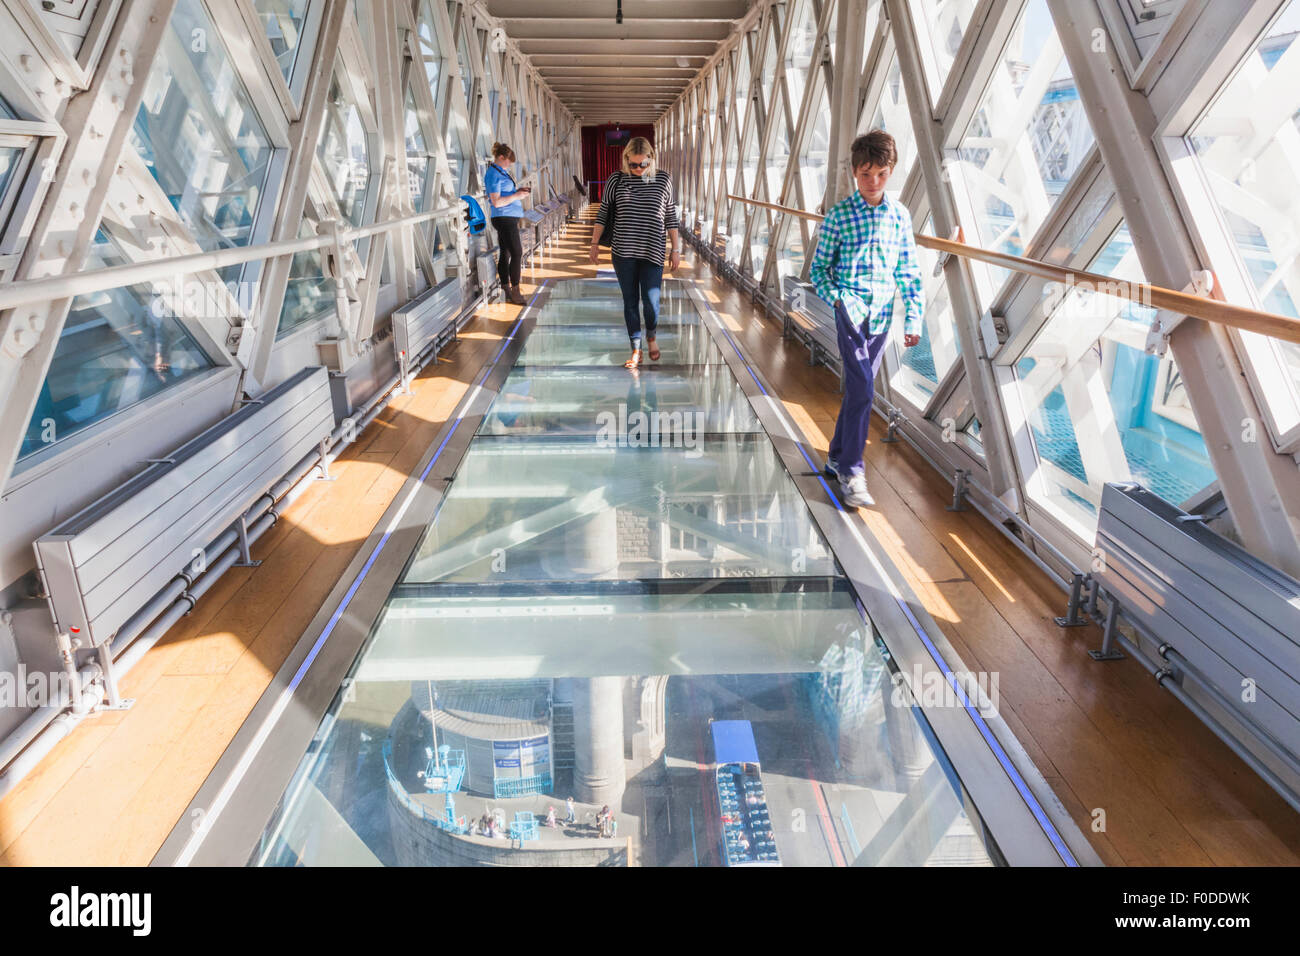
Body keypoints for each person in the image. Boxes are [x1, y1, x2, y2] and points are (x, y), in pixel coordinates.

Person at [809, 130, 924, 508]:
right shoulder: (840, 216)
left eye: (880, 174)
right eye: (865, 174)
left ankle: (836, 455)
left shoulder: (900, 216)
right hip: (851, 313)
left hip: (882, 317)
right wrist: (839, 300)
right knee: (863, 390)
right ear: (854, 174)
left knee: (859, 391)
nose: (873, 182)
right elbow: (819, 270)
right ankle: (853, 471)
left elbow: (908, 270)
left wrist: (913, 320)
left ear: (890, 172)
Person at [588, 137, 681, 369]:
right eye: (633, 165)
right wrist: (593, 243)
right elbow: (603, 213)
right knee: (630, 301)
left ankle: (651, 335)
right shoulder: (616, 180)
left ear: (652, 159)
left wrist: (676, 249)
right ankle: (636, 348)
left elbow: (670, 216)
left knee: (651, 301)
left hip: (653, 249)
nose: (638, 169)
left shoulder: (663, 179)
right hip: (624, 251)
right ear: (625, 160)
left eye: (643, 164)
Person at [485, 143, 532, 306]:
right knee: (517, 252)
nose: (509, 164)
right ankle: (515, 291)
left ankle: (506, 286)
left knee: (506, 252)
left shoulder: (501, 172)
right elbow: (496, 202)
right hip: (503, 218)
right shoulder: (493, 175)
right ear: (500, 157)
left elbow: (504, 194)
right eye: (508, 161)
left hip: (508, 217)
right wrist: (517, 195)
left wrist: (518, 191)